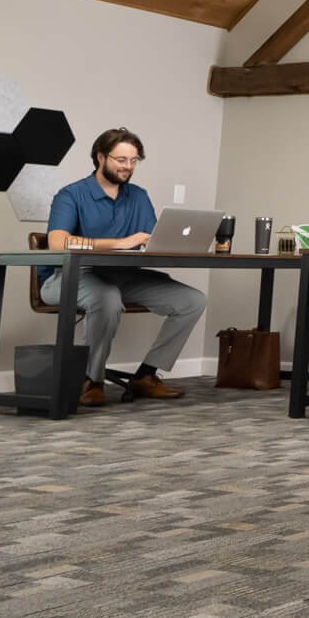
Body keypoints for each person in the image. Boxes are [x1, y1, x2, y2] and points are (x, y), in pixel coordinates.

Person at [44, 128, 208, 408]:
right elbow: (57, 243)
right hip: (71, 277)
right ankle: (91, 380)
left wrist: (173, 244)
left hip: (125, 276)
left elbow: (151, 242)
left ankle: (145, 376)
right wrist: (120, 243)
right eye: (121, 159)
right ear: (100, 157)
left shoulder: (138, 196)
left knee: (192, 300)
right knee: (107, 298)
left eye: (133, 160)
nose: (128, 166)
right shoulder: (71, 195)